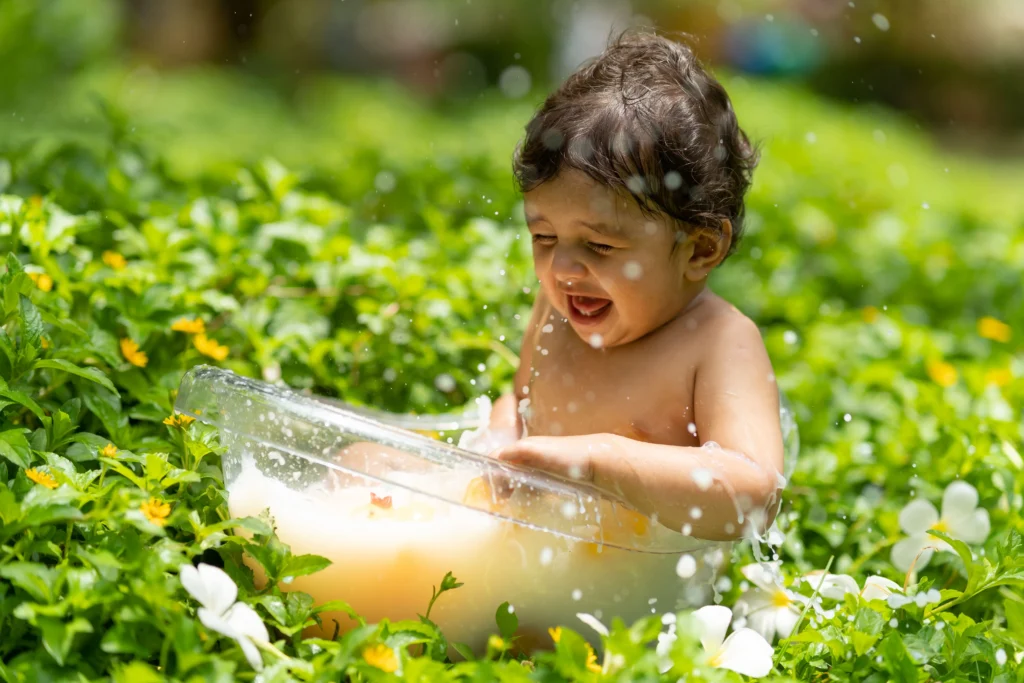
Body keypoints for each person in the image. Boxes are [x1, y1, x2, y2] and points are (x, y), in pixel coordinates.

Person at [482, 29, 785, 542]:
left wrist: (602, 462)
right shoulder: (557, 307)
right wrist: (498, 440)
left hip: (642, 592)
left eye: (599, 247)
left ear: (700, 249)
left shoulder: (718, 343)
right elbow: (519, 401)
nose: (563, 269)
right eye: (544, 237)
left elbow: (753, 493)